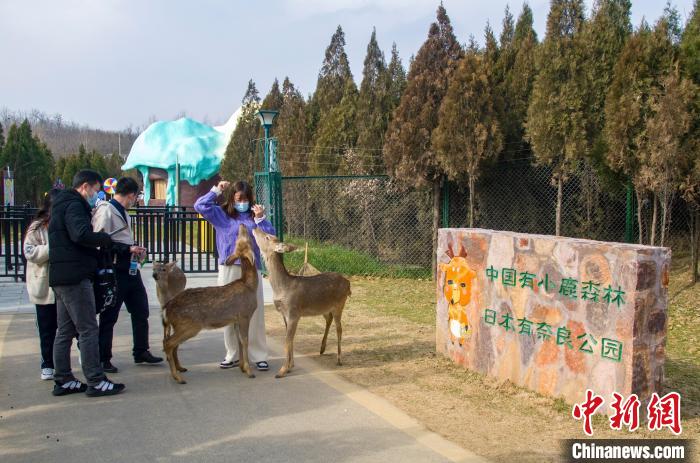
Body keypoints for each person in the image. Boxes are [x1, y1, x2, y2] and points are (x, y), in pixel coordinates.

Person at [48, 169, 125, 397]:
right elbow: (80, 234)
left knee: (64, 330)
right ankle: (95, 379)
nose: (97, 195)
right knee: (88, 328)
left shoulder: (60, 204)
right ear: (85, 186)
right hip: (76, 276)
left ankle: (63, 379)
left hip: (61, 276)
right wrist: (104, 238)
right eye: (96, 190)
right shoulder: (74, 205)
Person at [194, 180, 275, 371]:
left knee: (254, 314)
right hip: (229, 268)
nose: (243, 202)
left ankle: (258, 354)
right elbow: (200, 206)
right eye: (239, 198)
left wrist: (261, 218)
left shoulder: (254, 217)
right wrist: (216, 190)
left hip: (250, 271)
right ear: (232, 198)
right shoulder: (221, 215)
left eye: (246, 199)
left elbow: (271, 236)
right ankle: (233, 354)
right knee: (227, 311)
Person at [92, 177, 162, 372]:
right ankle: (103, 357)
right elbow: (98, 241)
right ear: (131, 195)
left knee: (141, 310)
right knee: (110, 315)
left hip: (130, 269)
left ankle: (141, 350)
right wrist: (125, 249)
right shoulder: (106, 210)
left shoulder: (123, 211)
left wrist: (134, 250)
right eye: (135, 196)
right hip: (114, 270)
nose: (135, 200)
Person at [24, 189, 60, 380]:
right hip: (44, 286)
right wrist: (52, 248)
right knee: (47, 328)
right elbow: (30, 252)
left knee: (73, 326)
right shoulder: (37, 228)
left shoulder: (65, 223)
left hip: (64, 284)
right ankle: (47, 363)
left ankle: (82, 356)